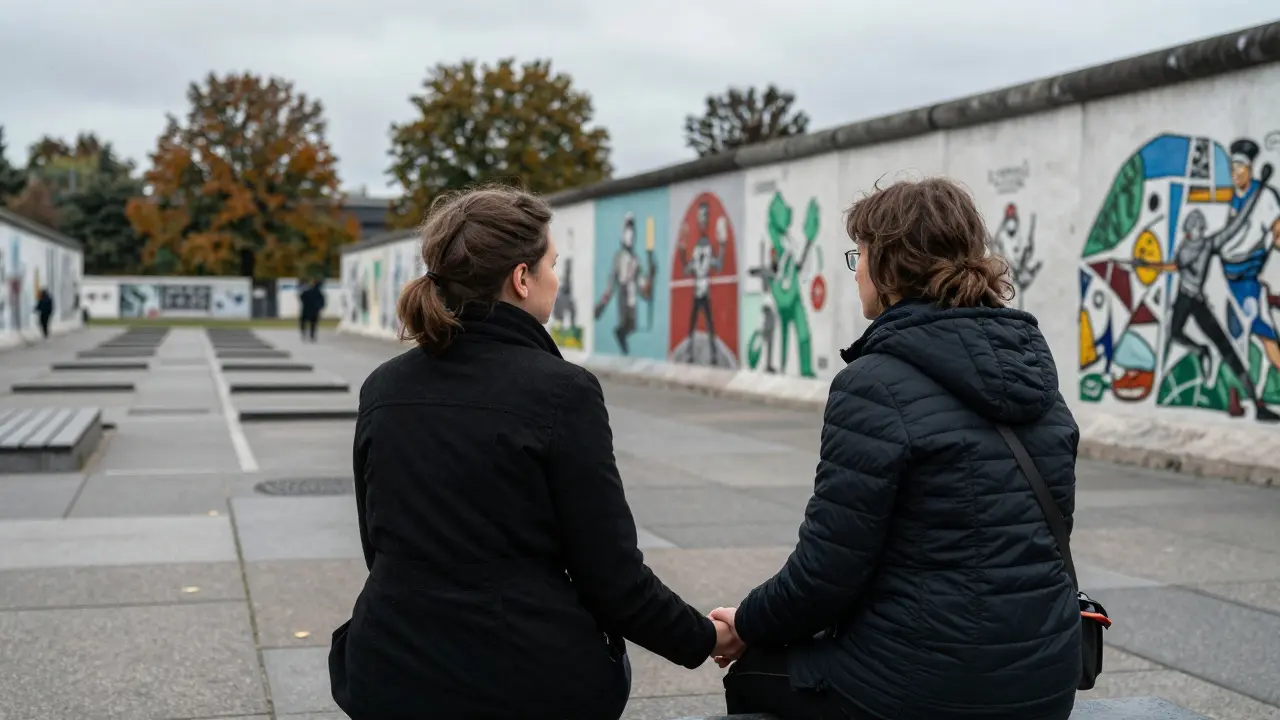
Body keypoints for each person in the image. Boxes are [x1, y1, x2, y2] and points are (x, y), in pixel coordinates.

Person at [328, 185, 742, 720]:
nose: (556, 277)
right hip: (522, 680)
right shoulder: (562, 392)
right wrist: (707, 637)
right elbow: (611, 577)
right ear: (521, 279)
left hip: (389, 672)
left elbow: (379, 546)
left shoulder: (382, 387)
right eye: (552, 264)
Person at [709, 177, 1081, 720]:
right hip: (1047, 684)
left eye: (859, 255)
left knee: (755, 674)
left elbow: (825, 573)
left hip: (928, 690)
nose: (855, 270)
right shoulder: (1037, 375)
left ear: (890, 266)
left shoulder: (875, 384)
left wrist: (744, 625)